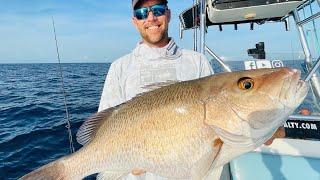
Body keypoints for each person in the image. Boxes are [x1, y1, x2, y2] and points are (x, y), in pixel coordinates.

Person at [98, 0, 285, 179]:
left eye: (158, 10)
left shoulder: (197, 61)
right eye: (141, 13)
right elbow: (104, 129)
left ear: (168, 14)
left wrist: (264, 125)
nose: (151, 18)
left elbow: (221, 115)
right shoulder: (119, 68)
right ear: (134, 21)